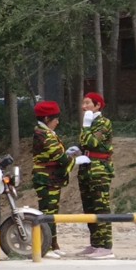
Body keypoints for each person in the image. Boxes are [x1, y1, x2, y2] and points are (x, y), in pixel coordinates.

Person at [73, 91, 116, 258]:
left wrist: (85, 126)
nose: (83, 107)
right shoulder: (90, 122)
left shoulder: (103, 122)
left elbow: (92, 142)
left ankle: (106, 246)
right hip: (87, 169)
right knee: (89, 208)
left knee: (101, 206)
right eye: (83, 103)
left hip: (99, 170)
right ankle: (95, 243)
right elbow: (84, 144)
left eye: (87, 103)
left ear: (97, 105)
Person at [31, 101, 73, 258]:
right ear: (47, 118)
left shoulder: (46, 132)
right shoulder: (43, 134)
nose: (58, 122)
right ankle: (46, 246)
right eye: (55, 119)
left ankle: (53, 244)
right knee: (47, 212)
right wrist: (74, 159)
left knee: (52, 212)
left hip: (52, 178)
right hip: (46, 179)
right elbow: (60, 158)